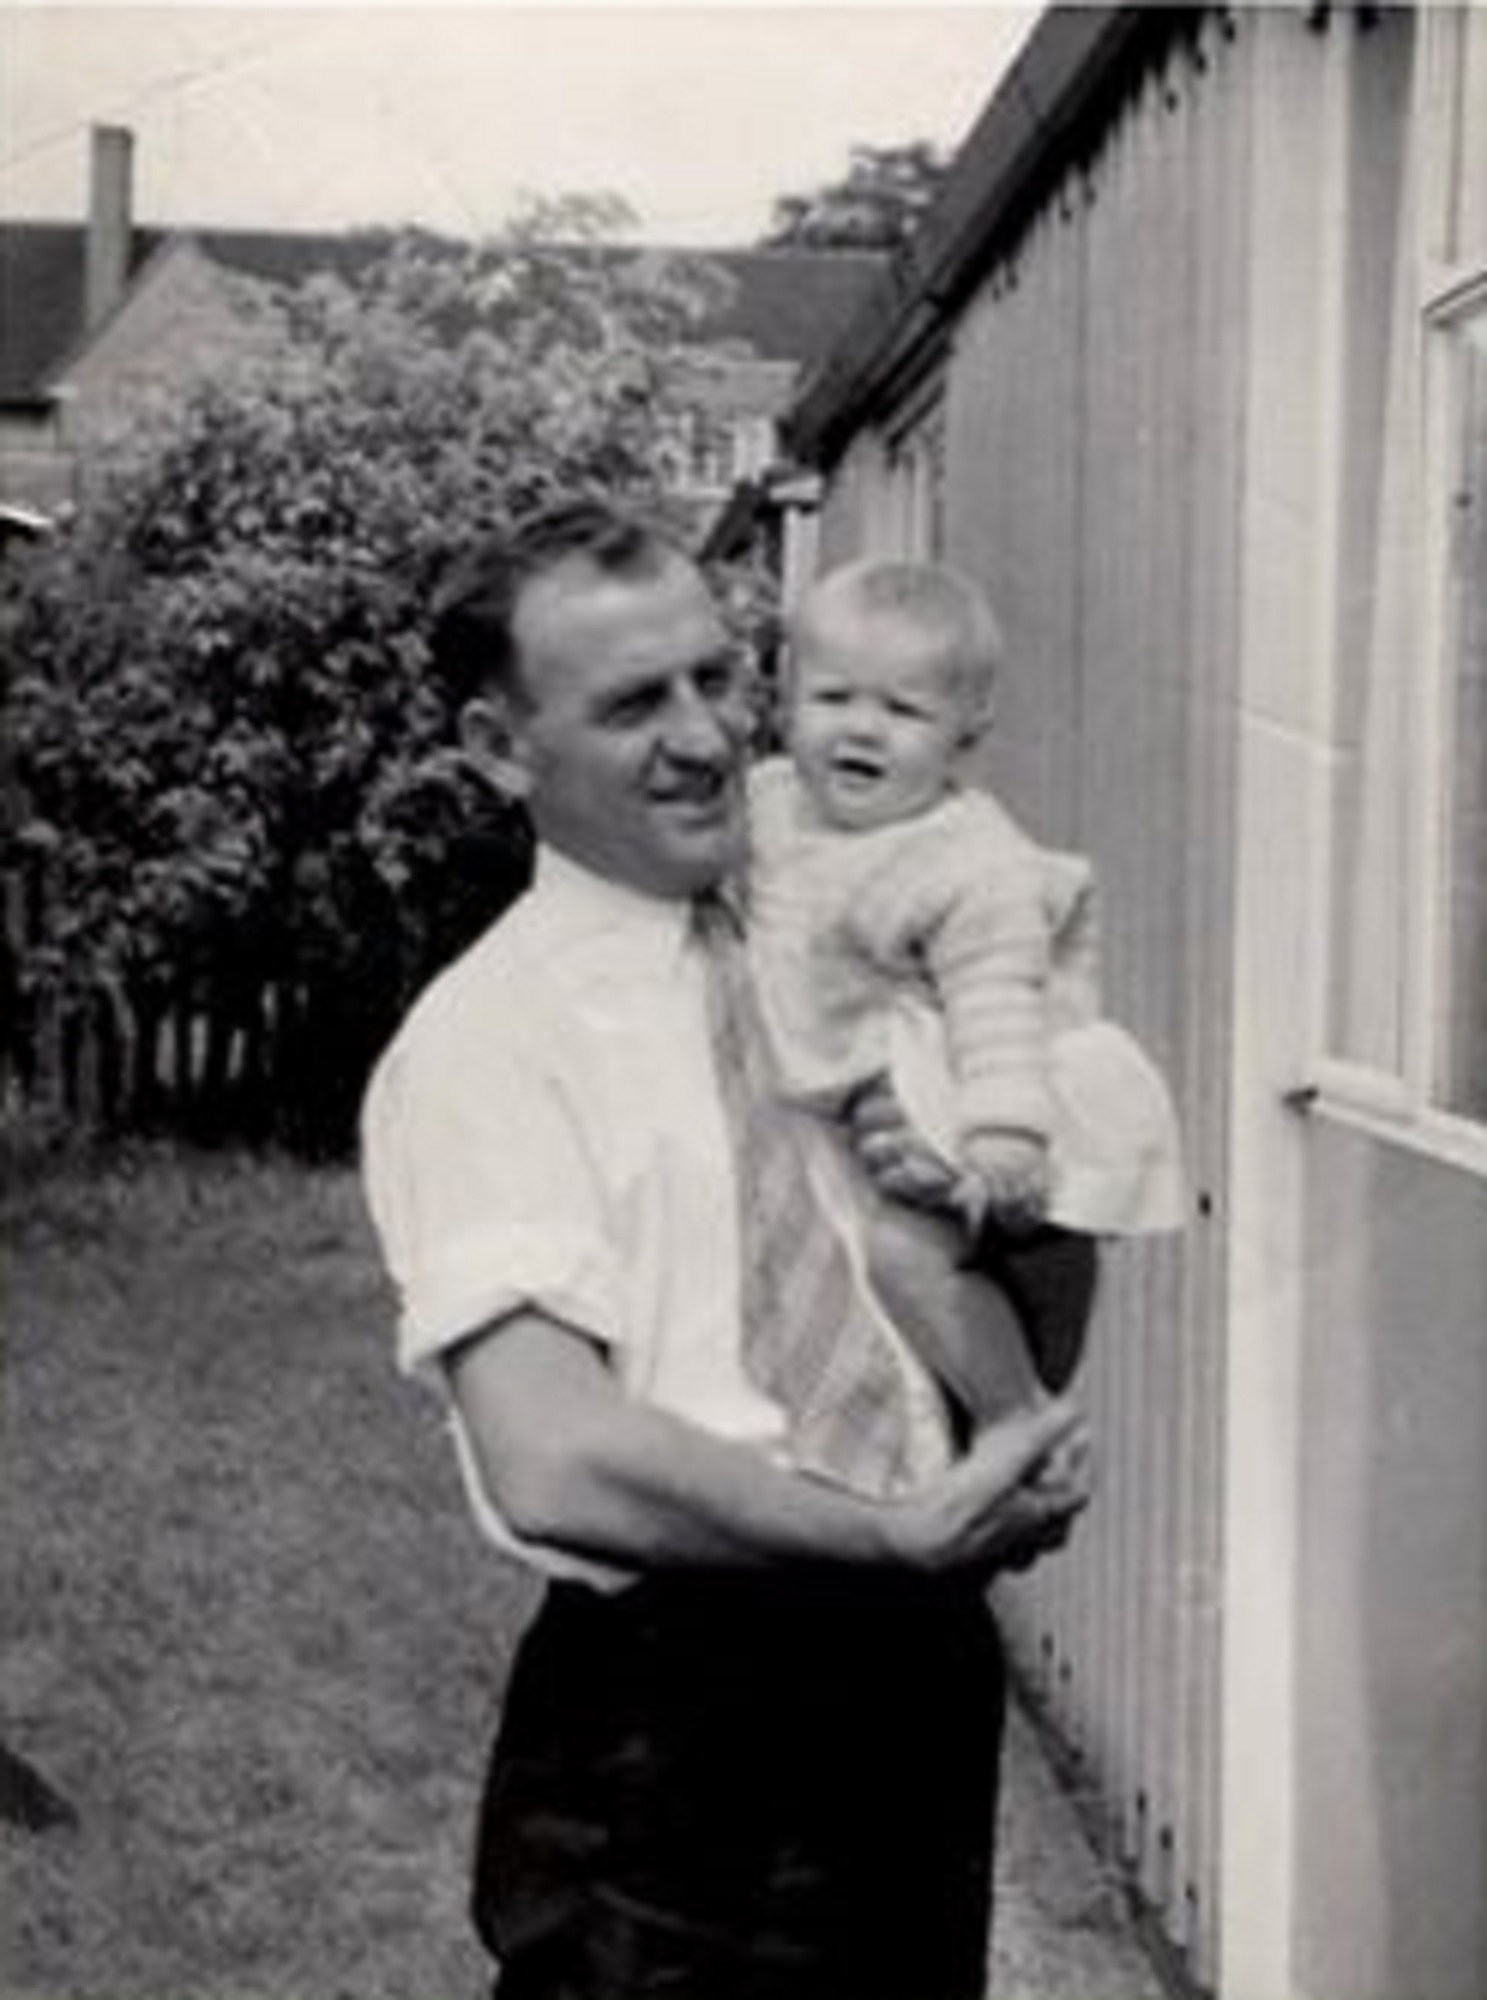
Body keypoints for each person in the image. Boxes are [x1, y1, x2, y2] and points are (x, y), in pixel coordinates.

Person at [361, 500, 1093, 2000]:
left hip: (915, 1674)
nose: (705, 739)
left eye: (719, 676)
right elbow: (550, 1457)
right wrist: (882, 1536)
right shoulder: (488, 1041)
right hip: (676, 1722)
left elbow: (1029, 1302)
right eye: (633, 703)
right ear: (502, 747)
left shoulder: (861, 939)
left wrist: (1013, 1264)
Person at [746, 557, 1185, 1420]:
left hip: (936, 1099)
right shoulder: (767, 803)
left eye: (903, 711)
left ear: (964, 736)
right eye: (834, 699)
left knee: (901, 1255)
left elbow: (998, 1005)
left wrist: (1002, 1134)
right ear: (786, 698)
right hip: (822, 1100)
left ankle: (1015, 1417)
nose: (862, 731)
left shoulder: (967, 862)